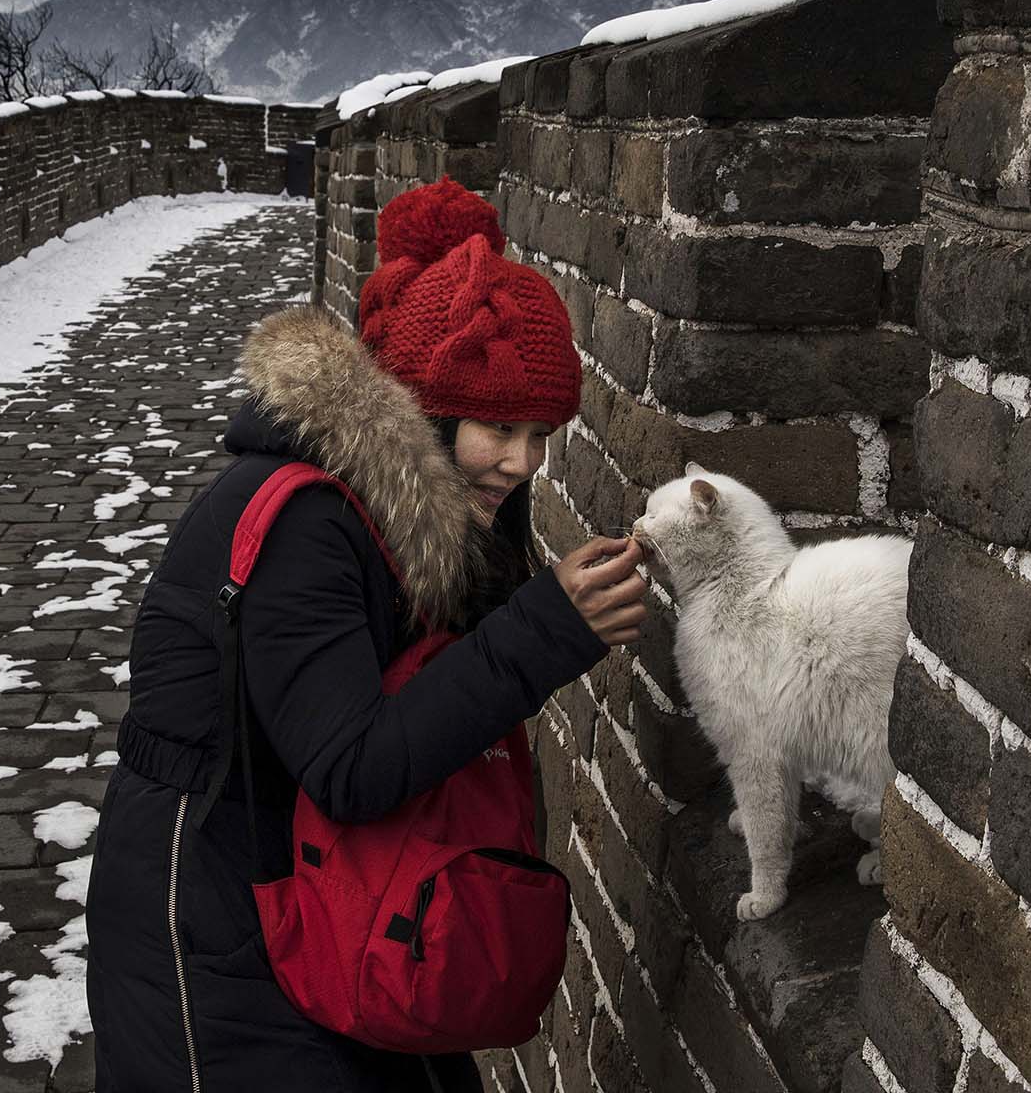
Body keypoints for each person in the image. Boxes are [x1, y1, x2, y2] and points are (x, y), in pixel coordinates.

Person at [86, 178, 649, 1090]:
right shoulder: (309, 524)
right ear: (420, 412)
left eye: (541, 434)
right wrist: (544, 630)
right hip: (213, 907)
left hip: (326, 889)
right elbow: (354, 766)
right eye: (498, 427)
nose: (523, 461)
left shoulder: (418, 512)